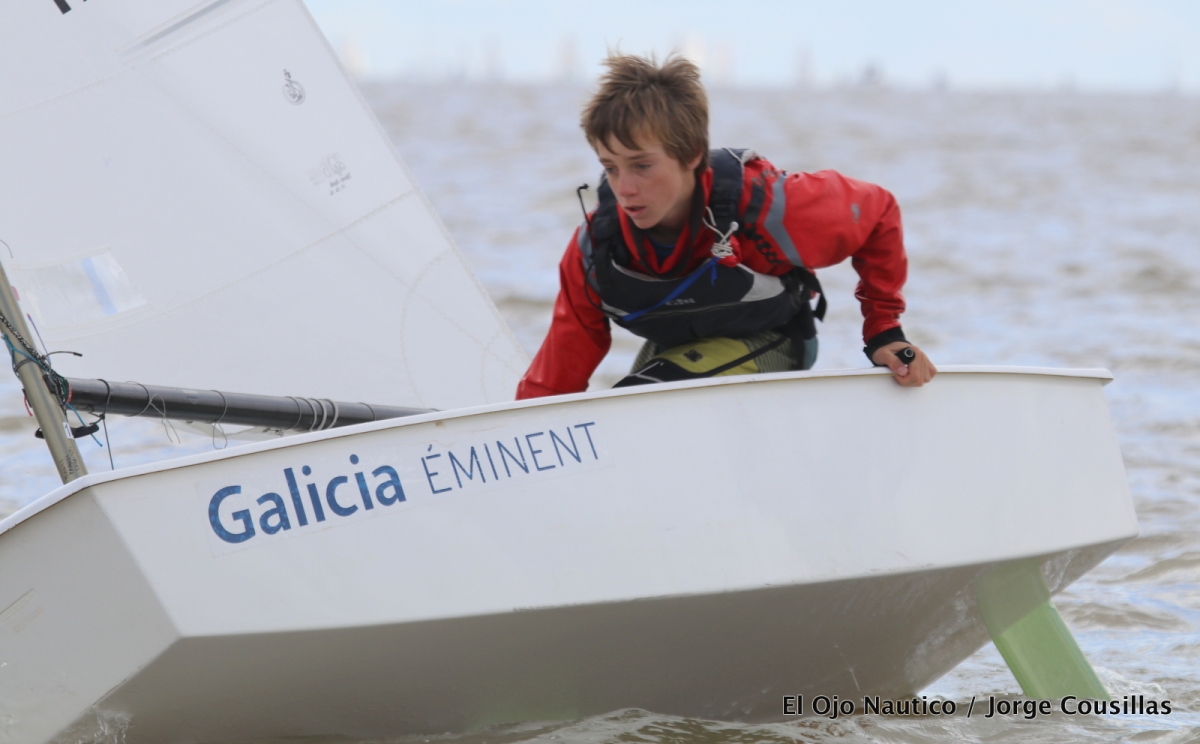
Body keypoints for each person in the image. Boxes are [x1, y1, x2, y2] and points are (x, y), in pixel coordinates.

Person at [515, 53, 936, 400]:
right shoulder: (596, 251)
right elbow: (557, 373)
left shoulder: (767, 207)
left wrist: (884, 331)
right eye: (610, 167)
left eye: (642, 166)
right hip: (678, 350)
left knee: (644, 402)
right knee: (626, 407)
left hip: (775, 339)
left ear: (692, 156)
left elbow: (879, 211)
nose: (623, 188)